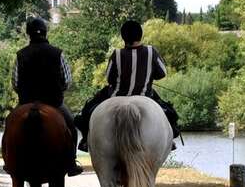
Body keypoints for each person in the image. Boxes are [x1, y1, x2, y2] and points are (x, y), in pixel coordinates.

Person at [75, 19, 180, 152]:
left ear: (123, 36)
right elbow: (162, 73)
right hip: (145, 95)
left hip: (115, 96)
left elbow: (109, 78)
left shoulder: (117, 54)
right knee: (171, 114)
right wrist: (147, 76)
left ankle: (85, 140)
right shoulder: (151, 51)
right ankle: (169, 141)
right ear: (140, 35)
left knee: (86, 112)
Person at [12, 16, 83, 176]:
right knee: (71, 126)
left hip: (26, 102)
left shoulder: (21, 54)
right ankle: (71, 163)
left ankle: (10, 160)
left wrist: (25, 94)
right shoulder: (58, 53)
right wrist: (58, 90)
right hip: (54, 102)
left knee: (10, 123)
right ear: (45, 33)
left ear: (28, 34)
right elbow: (67, 80)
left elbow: (15, 82)